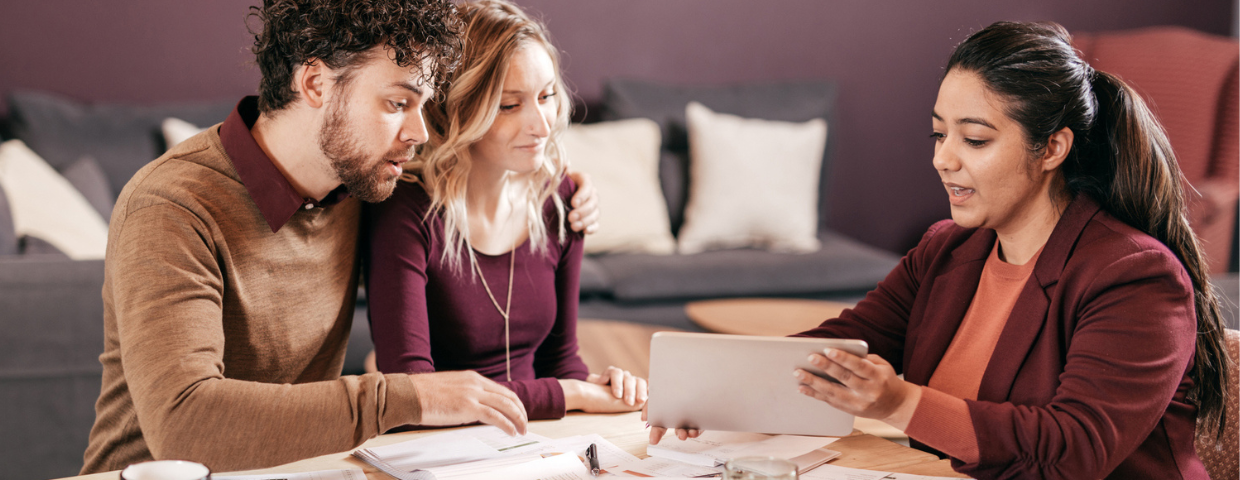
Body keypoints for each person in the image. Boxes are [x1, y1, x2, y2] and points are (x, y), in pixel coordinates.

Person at [648, 21, 1231, 480]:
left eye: (975, 139)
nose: (943, 158)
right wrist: (707, 393)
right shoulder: (947, 250)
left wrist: (900, 403)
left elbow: (1075, 452)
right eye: (939, 132)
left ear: (1052, 148)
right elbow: (840, 350)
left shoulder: (1135, 277)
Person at [82, 0, 602, 474]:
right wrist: (410, 397)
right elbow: (185, 425)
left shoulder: (364, 182)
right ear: (315, 85)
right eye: (398, 103)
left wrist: (567, 189)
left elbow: (473, 164)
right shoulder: (172, 205)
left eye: (423, 105)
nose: (421, 133)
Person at [364, 0, 647, 423]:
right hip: (437, 446)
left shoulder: (563, 200)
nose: (542, 124)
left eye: (547, 96)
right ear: (458, 107)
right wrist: (570, 393)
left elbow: (561, 358)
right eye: (510, 105)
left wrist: (593, 389)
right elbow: (413, 391)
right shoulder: (407, 211)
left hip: (534, 438)